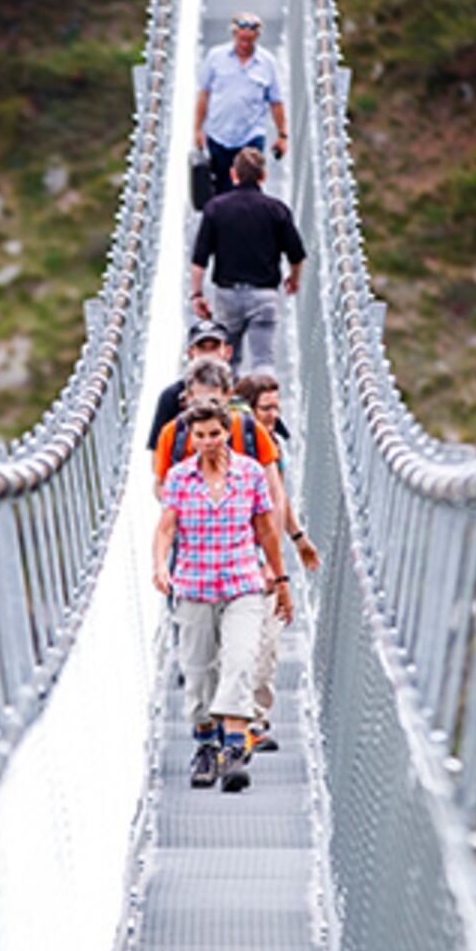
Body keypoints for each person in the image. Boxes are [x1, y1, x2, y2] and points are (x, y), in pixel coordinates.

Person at [155, 403, 290, 793]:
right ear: (191, 438)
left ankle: (233, 750)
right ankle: (206, 745)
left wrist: (280, 579)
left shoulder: (249, 473)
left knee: (240, 659)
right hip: (195, 586)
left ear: (227, 432)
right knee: (198, 675)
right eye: (199, 436)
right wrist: (160, 566)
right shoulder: (180, 477)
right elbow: (166, 528)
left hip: (242, 583)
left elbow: (265, 528)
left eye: (214, 434)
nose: (207, 442)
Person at [234, 369, 320, 752]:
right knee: (237, 646)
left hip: (265, 556)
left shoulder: (275, 447)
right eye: (266, 408)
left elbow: (278, 500)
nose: (273, 414)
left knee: (268, 643)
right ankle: (232, 729)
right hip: (234, 556)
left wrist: (298, 538)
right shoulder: (229, 446)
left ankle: (254, 723)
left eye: (275, 407)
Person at [190, 148, 305, 378]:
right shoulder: (276, 210)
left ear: (233, 174)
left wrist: (197, 294)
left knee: (227, 362)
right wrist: (294, 278)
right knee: (264, 361)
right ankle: (262, 409)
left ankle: (227, 410)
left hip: (227, 295)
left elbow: (199, 259)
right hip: (264, 295)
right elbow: (297, 255)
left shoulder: (216, 208)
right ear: (263, 176)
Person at [191, 10, 286, 211]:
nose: (245, 44)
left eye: (250, 40)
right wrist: (198, 129)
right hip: (219, 135)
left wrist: (282, 135)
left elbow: (276, 102)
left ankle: (249, 226)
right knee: (221, 192)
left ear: (256, 38)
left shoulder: (267, 63)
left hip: (250, 136)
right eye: (242, 39)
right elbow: (204, 94)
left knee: (248, 190)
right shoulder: (215, 57)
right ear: (234, 35)